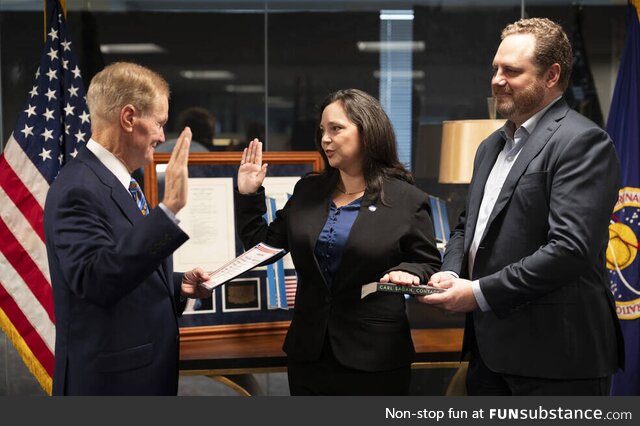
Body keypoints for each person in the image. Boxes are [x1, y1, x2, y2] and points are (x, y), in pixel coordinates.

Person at [420, 18, 624, 395]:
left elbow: (569, 250)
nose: (497, 79)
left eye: (512, 71)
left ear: (551, 76)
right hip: (488, 354)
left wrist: (478, 292)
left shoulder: (583, 142)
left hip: (556, 359)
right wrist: (451, 273)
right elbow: (468, 226)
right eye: (496, 68)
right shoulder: (490, 146)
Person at [234, 88, 441, 395]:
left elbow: (426, 261)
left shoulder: (406, 199)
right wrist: (249, 194)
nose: (325, 139)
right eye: (322, 131)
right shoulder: (308, 190)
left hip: (375, 355)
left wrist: (409, 271)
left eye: (336, 129)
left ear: (367, 132)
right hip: (309, 354)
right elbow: (262, 248)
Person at [43, 62, 212, 395]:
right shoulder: (78, 187)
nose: (163, 137)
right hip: (110, 385)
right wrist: (169, 210)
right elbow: (96, 280)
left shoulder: (120, 182)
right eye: (160, 123)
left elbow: (123, 264)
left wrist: (177, 286)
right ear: (129, 118)